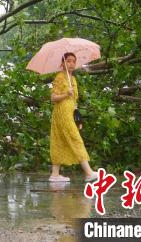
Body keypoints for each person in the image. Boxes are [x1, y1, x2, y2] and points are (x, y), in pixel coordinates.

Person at [49, 52, 97, 183]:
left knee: (60, 140)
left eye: (73, 61)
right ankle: (88, 172)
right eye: (68, 61)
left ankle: (55, 174)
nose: (71, 63)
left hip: (70, 112)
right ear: (62, 64)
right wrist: (65, 94)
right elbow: (53, 98)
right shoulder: (60, 77)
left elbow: (74, 100)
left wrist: (78, 118)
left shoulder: (73, 79)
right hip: (61, 112)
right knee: (75, 139)